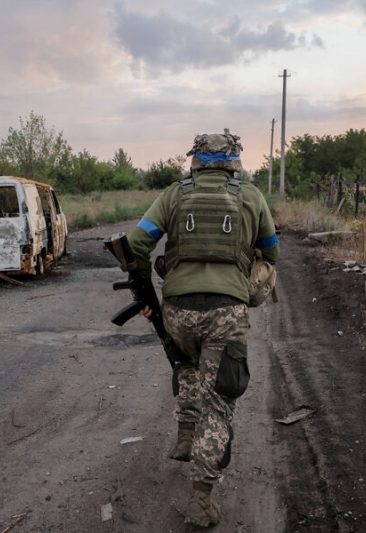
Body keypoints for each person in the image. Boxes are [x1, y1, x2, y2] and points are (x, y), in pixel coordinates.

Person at [127, 129, 280, 527]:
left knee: (188, 364)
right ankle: (201, 498)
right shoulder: (251, 195)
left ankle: (185, 435)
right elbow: (273, 251)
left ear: (195, 159)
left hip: (178, 310)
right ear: (235, 160)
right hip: (226, 312)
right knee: (221, 401)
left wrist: (145, 290)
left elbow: (136, 243)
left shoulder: (174, 194)